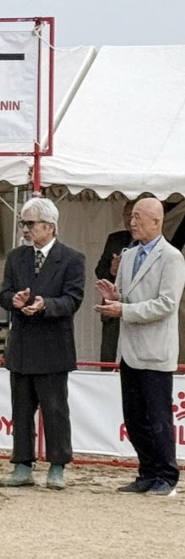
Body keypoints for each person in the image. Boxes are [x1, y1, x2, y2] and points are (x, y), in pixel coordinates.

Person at [95, 197, 185, 496]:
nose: (132, 222)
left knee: (158, 418)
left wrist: (124, 310)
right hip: (129, 349)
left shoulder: (172, 257)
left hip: (156, 350)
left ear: (156, 221)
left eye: (138, 217)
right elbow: (128, 297)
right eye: (131, 216)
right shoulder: (129, 254)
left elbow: (167, 304)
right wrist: (115, 296)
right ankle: (146, 472)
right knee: (134, 417)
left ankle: (166, 475)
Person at [0, 198, 85, 490]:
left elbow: (73, 299)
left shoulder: (72, 258)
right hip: (22, 346)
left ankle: (57, 466)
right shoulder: (16, 257)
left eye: (30, 223)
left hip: (53, 346)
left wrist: (45, 304)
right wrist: (14, 300)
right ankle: (22, 465)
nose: (25, 229)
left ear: (50, 226)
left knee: (55, 410)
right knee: (21, 410)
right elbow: (4, 294)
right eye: (23, 223)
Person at [94, 200, 137, 367]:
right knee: (108, 356)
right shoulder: (115, 239)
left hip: (137, 310)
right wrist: (112, 271)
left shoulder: (155, 244)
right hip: (112, 310)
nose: (130, 220)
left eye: (134, 215)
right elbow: (99, 271)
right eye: (127, 215)